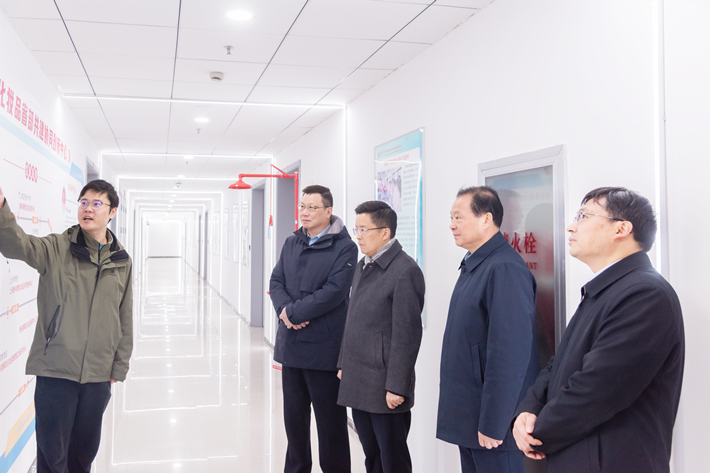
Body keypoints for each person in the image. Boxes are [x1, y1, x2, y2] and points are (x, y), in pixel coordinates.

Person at [512, 187, 685, 473]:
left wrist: (535, 432)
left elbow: (596, 391)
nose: (571, 227)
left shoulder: (645, 294)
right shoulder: (607, 289)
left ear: (621, 229)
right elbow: (558, 364)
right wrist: (526, 411)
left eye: (583, 216)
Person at [0, 180, 133, 473]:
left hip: (98, 374)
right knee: (52, 455)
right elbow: (18, 245)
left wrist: (119, 365)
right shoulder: (57, 247)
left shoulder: (122, 260)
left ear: (112, 212)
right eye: (83, 202)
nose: (88, 209)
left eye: (96, 204)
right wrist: (1, 210)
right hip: (56, 369)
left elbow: (124, 315)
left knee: (84, 453)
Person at [437, 186, 538, 473]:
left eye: (458, 217)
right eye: (451, 217)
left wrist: (495, 422)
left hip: (493, 425)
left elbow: (509, 353)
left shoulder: (504, 268)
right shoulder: (476, 263)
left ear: (486, 219)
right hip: (472, 416)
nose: (452, 225)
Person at [269, 184, 358, 473]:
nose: (305, 212)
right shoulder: (292, 242)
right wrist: (285, 311)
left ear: (328, 211)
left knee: (330, 425)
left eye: (312, 207)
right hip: (291, 348)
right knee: (294, 422)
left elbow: (334, 292)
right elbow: (276, 281)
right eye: (302, 207)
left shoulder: (345, 247)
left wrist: (294, 313)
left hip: (324, 351)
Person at [337, 201, 425, 473]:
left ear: (385, 233)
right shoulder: (363, 265)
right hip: (359, 378)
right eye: (356, 229)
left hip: (384, 384)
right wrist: (343, 363)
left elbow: (407, 336)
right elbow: (352, 319)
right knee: (372, 455)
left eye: (364, 230)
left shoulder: (405, 271)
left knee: (392, 459)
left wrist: (397, 386)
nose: (358, 236)